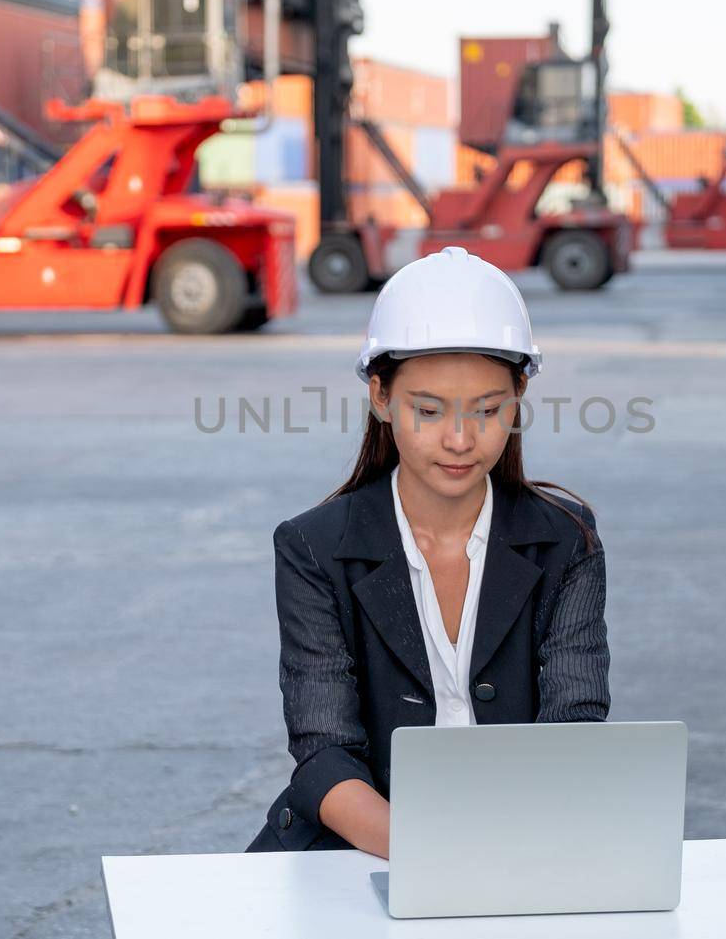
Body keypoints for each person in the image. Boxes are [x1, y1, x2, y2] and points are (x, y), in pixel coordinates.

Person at [245, 246, 610, 856]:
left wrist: (509, 858)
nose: (461, 439)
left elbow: (573, 726)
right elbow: (323, 749)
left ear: (520, 395)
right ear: (381, 397)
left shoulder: (567, 540)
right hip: (354, 852)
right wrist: (436, 856)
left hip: (524, 845)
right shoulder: (314, 547)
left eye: (489, 410)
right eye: (429, 410)